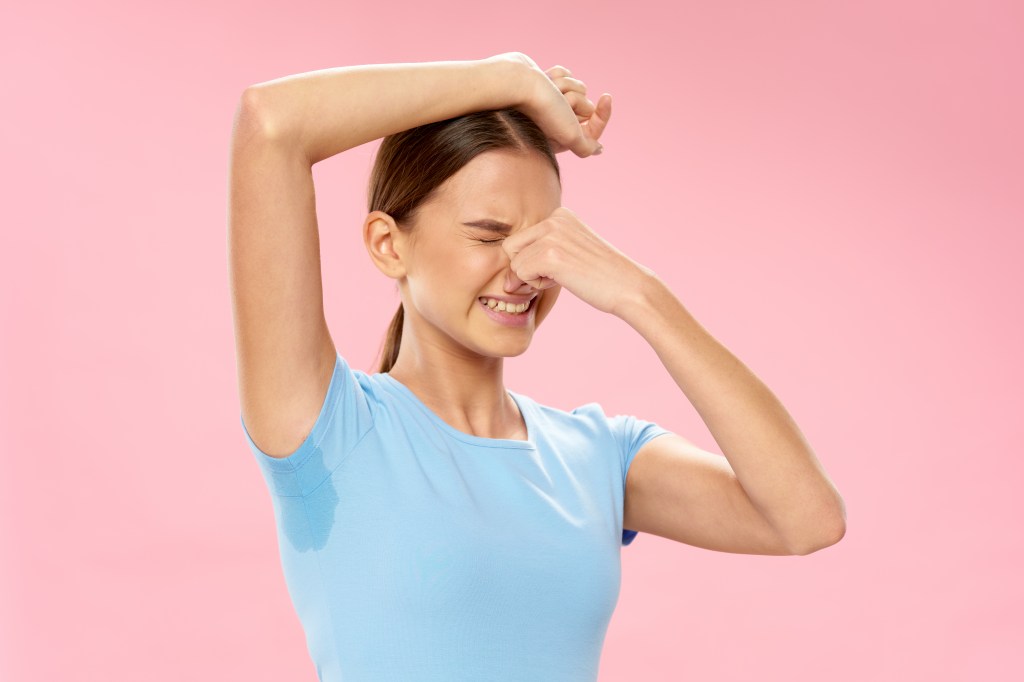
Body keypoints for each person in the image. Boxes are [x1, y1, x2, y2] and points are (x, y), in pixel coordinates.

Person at [228, 52, 846, 682]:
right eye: (488, 233)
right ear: (389, 244)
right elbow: (270, 123)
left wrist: (641, 295)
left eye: (549, 238)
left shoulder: (597, 454)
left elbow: (807, 519)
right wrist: (507, 78)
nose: (526, 269)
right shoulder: (331, 434)